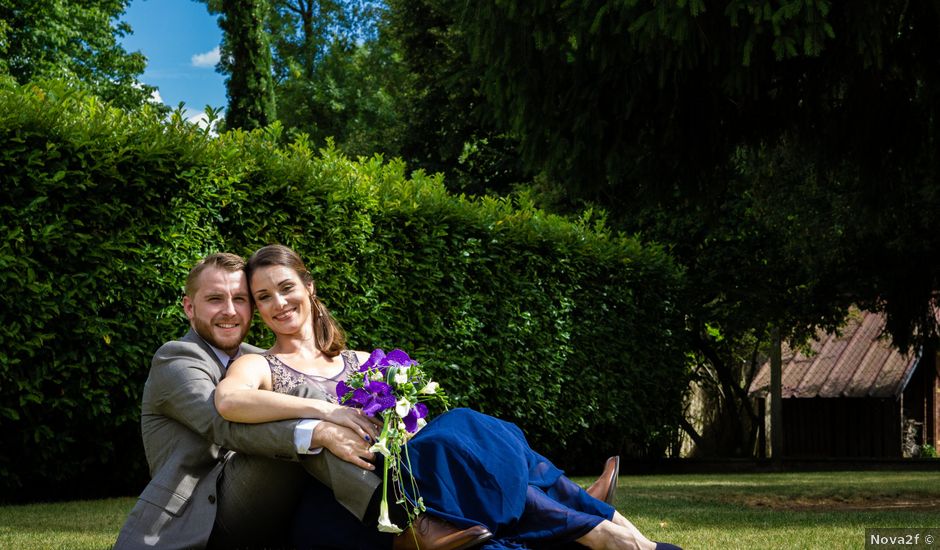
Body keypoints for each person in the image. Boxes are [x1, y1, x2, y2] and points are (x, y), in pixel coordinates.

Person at [215, 244, 682, 550]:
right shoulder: (260, 363)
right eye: (263, 297)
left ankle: (592, 521)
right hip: (345, 502)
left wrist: (405, 420)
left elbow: (414, 423)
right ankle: (588, 515)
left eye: (286, 288)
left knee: (459, 433)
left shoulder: (360, 359)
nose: (278, 303)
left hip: (411, 476)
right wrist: (325, 410)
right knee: (462, 432)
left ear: (310, 289)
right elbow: (229, 401)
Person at [114, 252, 485, 550]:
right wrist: (320, 427)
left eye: (240, 299)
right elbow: (221, 423)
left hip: (271, 504)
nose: (229, 310)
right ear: (188, 308)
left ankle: (419, 509)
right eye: (214, 299)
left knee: (304, 408)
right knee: (304, 411)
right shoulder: (176, 358)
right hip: (201, 516)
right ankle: (408, 525)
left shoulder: (254, 357)